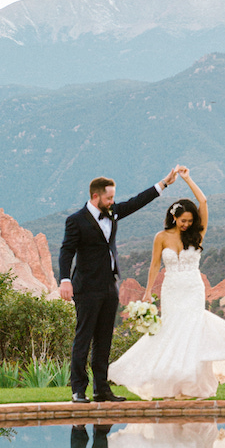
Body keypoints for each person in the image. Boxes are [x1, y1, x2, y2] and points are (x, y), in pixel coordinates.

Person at [108, 167, 225, 399]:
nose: (187, 224)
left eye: (190, 220)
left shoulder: (197, 233)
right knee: (172, 332)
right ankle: (173, 386)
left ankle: (193, 386)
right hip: (171, 289)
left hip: (192, 288)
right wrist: (148, 292)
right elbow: (154, 265)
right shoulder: (161, 237)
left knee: (192, 332)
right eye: (183, 220)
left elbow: (204, 200)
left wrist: (187, 179)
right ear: (174, 217)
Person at [58, 170, 177, 403]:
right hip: (87, 287)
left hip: (110, 286)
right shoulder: (76, 220)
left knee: (104, 340)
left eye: (113, 198)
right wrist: (64, 280)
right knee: (84, 338)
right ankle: (78, 390)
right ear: (95, 197)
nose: (113, 202)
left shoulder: (111, 213)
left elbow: (135, 203)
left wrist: (163, 183)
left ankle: (101, 389)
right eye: (109, 198)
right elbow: (66, 251)